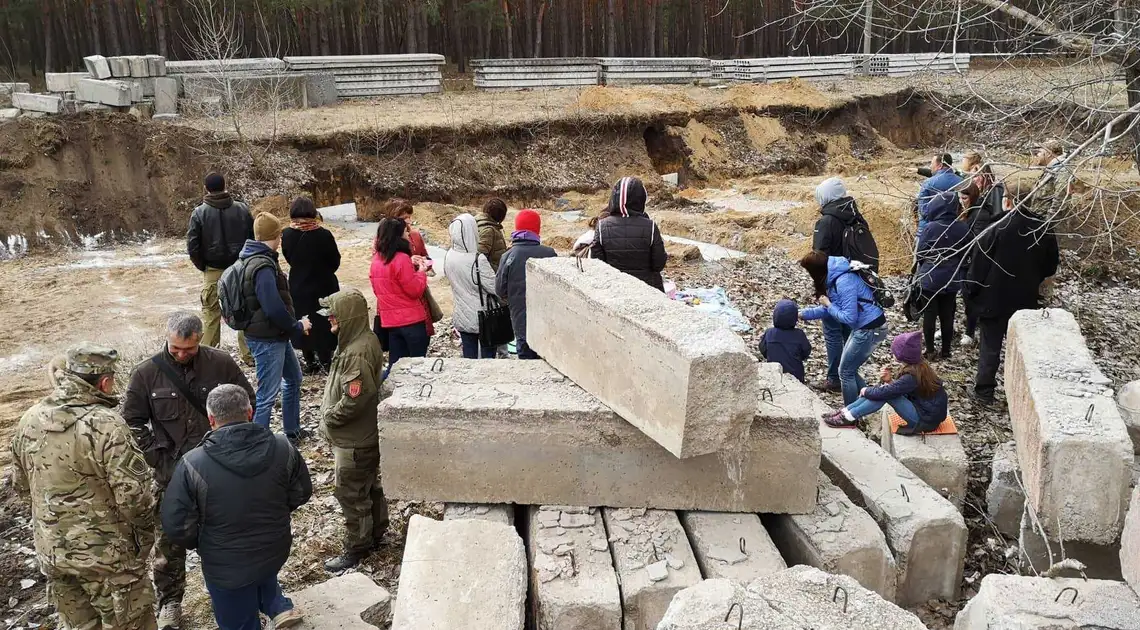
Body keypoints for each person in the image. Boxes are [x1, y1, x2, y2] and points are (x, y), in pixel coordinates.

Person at [122, 311, 254, 630]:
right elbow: (132, 421)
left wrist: (231, 445)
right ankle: (170, 601)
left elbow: (247, 400)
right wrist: (158, 458)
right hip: (171, 474)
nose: (181, 354)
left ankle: (237, 590)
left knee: (226, 532)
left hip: (218, 469)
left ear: (200, 340)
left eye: (188, 349)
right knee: (169, 540)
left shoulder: (220, 363)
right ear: (167, 339)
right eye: (175, 348)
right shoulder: (146, 373)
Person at [11, 344, 157, 630]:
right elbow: (135, 498)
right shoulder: (106, 425)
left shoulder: (29, 419)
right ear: (105, 382)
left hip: (54, 555)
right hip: (108, 561)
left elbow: (21, 488)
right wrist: (142, 542)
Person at [161, 385, 311, 630]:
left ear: (211, 419)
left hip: (225, 564)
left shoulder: (192, 463)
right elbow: (301, 493)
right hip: (274, 547)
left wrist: (204, 541)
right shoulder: (283, 446)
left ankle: (272, 607)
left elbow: (176, 524)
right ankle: (277, 606)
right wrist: (274, 515)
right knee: (258, 569)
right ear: (250, 412)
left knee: (238, 623)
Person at [964, 184, 1059, 404]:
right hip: (1025, 298)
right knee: (1024, 348)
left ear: (1008, 200)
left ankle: (984, 392)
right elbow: (1050, 266)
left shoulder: (996, 227)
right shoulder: (1042, 228)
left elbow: (978, 267)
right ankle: (1025, 394)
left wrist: (971, 293)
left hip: (993, 298)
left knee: (990, 346)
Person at [316, 289, 389, 571]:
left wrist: (330, 418)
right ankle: (376, 533)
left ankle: (357, 546)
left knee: (351, 493)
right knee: (369, 487)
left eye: (334, 316)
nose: (330, 321)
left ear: (349, 318)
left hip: (353, 440)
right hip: (362, 435)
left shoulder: (355, 353)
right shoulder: (361, 340)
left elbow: (355, 398)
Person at [239, 212, 312, 441]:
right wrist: (297, 326)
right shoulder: (263, 266)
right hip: (267, 338)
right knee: (267, 395)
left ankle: (292, 432)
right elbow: (273, 307)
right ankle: (259, 444)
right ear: (276, 235)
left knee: (293, 378)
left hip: (274, 335)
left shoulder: (253, 257)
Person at [798, 250, 889, 406]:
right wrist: (803, 314)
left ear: (817, 271)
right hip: (864, 326)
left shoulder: (843, 281)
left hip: (869, 328)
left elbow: (848, 317)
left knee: (845, 372)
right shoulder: (836, 275)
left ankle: (850, 414)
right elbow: (834, 308)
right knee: (849, 369)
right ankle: (868, 402)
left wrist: (828, 304)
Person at [821, 331, 948, 434]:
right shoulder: (917, 366)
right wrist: (890, 381)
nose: (892, 352)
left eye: (895, 350)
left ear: (902, 355)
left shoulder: (912, 375)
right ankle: (845, 413)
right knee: (883, 391)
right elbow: (902, 389)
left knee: (883, 395)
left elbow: (890, 392)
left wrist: (866, 390)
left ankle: (849, 417)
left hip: (924, 419)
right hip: (923, 410)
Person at [186, 172, 254, 365]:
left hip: (213, 269)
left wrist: (204, 267)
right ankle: (249, 356)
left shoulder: (199, 213)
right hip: (240, 267)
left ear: (206, 188)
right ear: (225, 185)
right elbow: (252, 237)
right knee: (244, 309)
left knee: (211, 314)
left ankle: (207, 358)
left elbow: (193, 246)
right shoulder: (242, 209)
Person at [281, 196, 341, 374]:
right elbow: (335, 261)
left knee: (304, 319)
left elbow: (289, 258)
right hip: (324, 284)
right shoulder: (323, 234)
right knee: (324, 320)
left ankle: (309, 360)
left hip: (299, 283)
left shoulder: (287, 234)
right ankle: (326, 359)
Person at [371, 217, 430, 374]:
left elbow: (378, 291)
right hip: (411, 321)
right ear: (397, 235)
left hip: (391, 323)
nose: (407, 235)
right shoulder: (401, 259)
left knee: (395, 367)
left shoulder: (376, 260)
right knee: (418, 366)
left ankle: (385, 394)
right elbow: (415, 290)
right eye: (405, 231)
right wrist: (421, 272)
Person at [916, 191, 970, 360]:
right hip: (951, 279)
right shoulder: (962, 227)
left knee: (930, 315)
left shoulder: (930, 228)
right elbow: (967, 253)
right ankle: (946, 350)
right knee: (948, 314)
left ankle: (930, 350)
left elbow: (920, 253)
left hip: (930, 279)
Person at [496, 209, 557, 360]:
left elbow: (499, 290)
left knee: (525, 356)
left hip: (520, 319)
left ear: (517, 228)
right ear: (537, 229)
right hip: (547, 320)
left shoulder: (508, 256)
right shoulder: (550, 253)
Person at [590, 177, 667, 291]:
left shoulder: (602, 226)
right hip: (647, 289)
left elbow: (597, 263)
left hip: (613, 288)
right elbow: (658, 264)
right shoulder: (650, 226)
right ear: (641, 199)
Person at [443, 213, 499, 359]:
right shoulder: (477, 259)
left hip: (461, 314)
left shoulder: (449, 256)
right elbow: (494, 287)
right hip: (484, 316)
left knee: (468, 356)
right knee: (488, 357)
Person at [957, 179, 1004, 346]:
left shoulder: (980, 214)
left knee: (971, 297)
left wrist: (960, 234)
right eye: (960, 198)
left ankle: (969, 332)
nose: (962, 202)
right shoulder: (966, 211)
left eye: (964, 198)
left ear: (973, 197)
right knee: (965, 296)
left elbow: (978, 241)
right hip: (963, 260)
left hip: (973, 262)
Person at [812, 177, 879, 269]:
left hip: (838, 277)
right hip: (861, 274)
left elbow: (819, 255)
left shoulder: (826, 222)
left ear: (825, 196)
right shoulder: (856, 216)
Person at [759, 299, 812, 382]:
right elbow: (806, 351)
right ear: (795, 319)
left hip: (774, 374)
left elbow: (763, 349)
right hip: (796, 377)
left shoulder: (769, 333)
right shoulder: (799, 335)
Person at [917, 153, 963, 233]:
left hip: (929, 230)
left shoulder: (928, 183)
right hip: (956, 230)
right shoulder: (962, 182)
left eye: (932, 163)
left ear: (940, 166)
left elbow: (923, 211)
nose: (930, 166)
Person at [476, 197, 510, 271]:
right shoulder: (488, 231)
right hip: (492, 277)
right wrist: (499, 271)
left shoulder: (482, 224)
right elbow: (480, 260)